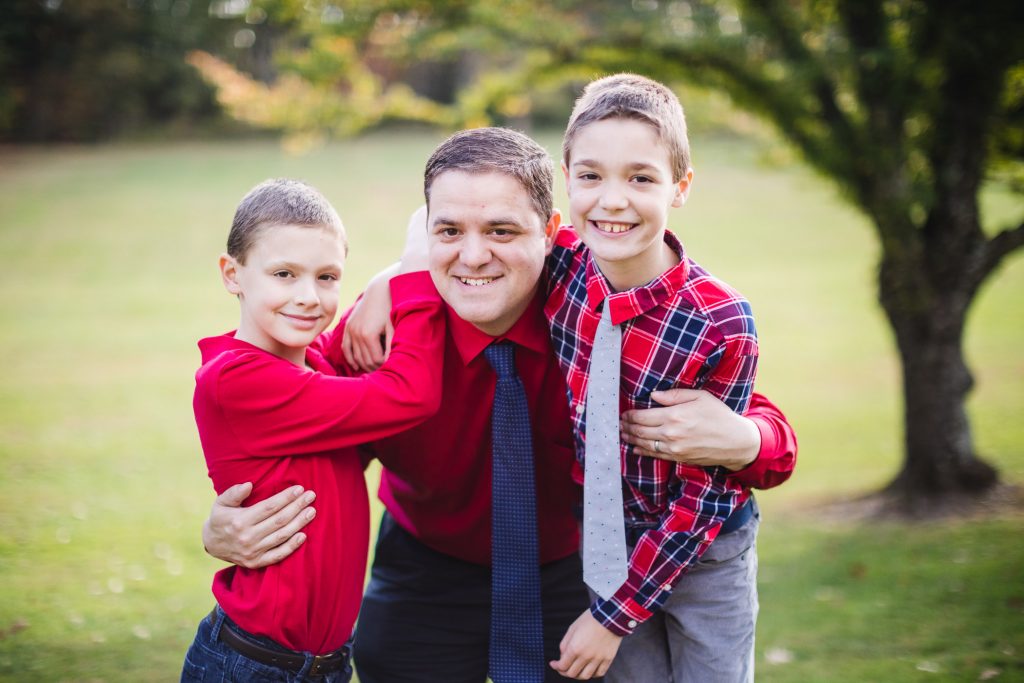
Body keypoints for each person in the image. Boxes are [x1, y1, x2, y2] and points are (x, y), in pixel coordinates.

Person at [202, 130, 797, 683]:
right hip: (422, 569)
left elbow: (754, 423)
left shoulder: (598, 310)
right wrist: (227, 524)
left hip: (571, 570)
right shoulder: (382, 327)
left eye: (502, 232)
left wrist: (750, 440)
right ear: (426, 236)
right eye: (450, 231)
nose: (473, 257)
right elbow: (302, 429)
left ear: (552, 233)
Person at [543, 73, 766, 681]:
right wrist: (385, 285)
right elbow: (465, 220)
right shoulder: (560, 267)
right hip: (606, 536)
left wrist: (613, 617)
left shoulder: (721, 321)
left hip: (704, 547)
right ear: (568, 181)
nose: (613, 200)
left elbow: (707, 497)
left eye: (641, 178)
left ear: (680, 186)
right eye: (590, 176)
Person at [181, 178, 445, 682]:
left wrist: (392, 276)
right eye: (284, 274)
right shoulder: (236, 380)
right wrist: (413, 269)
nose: (307, 297)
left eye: (327, 277)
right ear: (232, 274)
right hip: (254, 664)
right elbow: (411, 391)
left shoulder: (315, 364)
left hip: (325, 666)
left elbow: (353, 332)